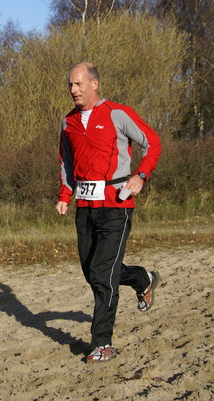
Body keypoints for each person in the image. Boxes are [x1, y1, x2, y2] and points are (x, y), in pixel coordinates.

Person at [56, 62, 162, 363]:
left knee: (103, 274)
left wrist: (141, 175)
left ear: (94, 84)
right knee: (93, 272)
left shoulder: (118, 114)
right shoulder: (68, 123)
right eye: (70, 85)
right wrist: (65, 194)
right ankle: (143, 280)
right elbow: (65, 161)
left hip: (117, 204)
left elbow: (152, 143)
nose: (73, 90)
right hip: (85, 206)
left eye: (78, 84)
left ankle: (102, 343)